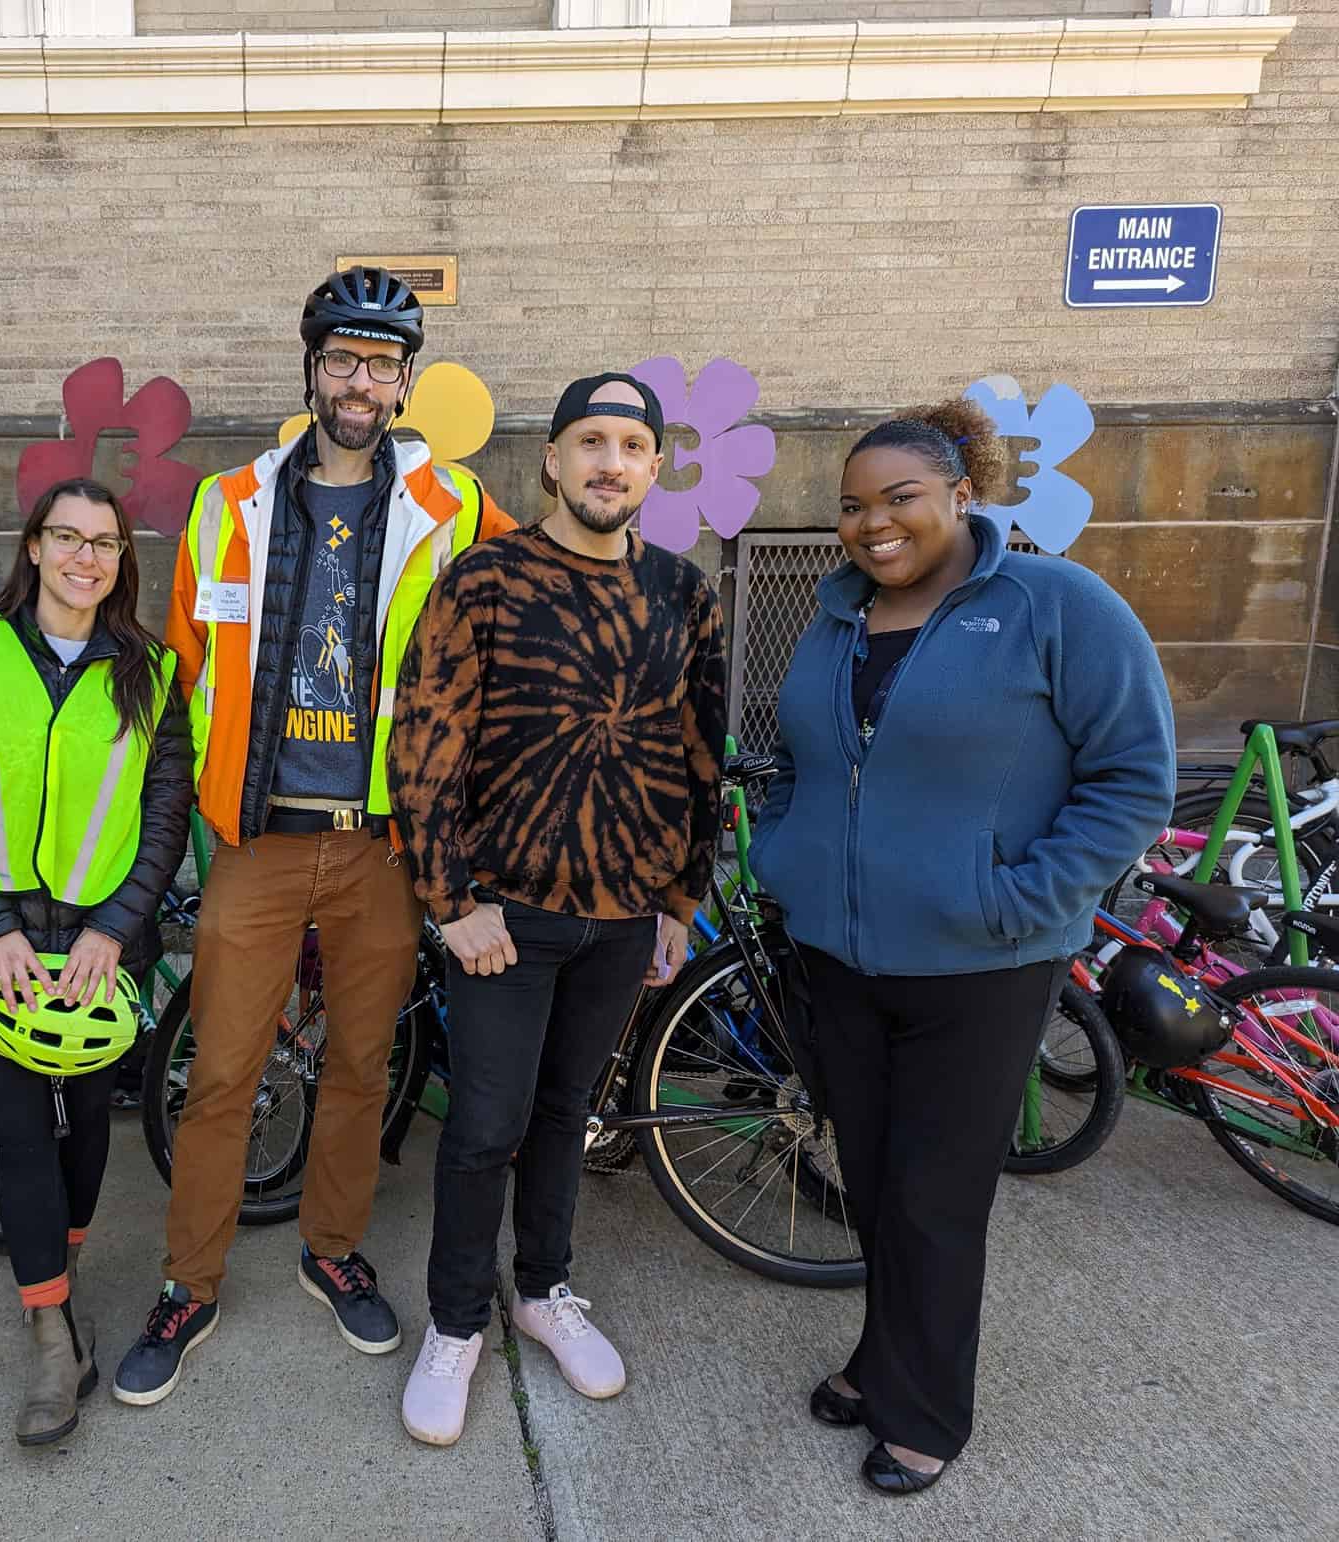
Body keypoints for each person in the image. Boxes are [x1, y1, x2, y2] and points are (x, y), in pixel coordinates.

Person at [747, 399, 1174, 1493]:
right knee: (879, 1182)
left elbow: (1129, 777)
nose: (872, 525)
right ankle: (878, 1359)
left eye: (899, 499)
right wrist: (784, 860)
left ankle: (923, 1415)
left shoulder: (1052, 604)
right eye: (850, 507)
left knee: (934, 1196)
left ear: (960, 496)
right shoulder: (837, 614)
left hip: (980, 965)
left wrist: (1023, 898)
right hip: (839, 958)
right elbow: (798, 755)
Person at [112, 265, 515, 1407]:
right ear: (311, 367)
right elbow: (184, 664)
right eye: (340, 359)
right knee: (221, 1071)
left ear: (402, 381)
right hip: (257, 839)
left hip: (384, 843)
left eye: (380, 364)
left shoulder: (456, 503)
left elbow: (527, 605)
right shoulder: (226, 503)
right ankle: (187, 1283)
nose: (358, 381)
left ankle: (331, 1249)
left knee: (357, 1064)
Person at [387, 373, 726, 1446]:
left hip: (623, 916)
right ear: (550, 458)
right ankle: (453, 1325)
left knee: (561, 1117)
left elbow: (699, 753)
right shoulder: (481, 582)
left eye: (631, 443)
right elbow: (423, 748)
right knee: (482, 1126)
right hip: (504, 918)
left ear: (654, 465)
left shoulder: (685, 593)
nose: (609, 462)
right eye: (590, 440)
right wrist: (451, 904)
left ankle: (541, 1291)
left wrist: (680, 897)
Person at [0, 477, 192, 1445]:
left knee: (83, 1129)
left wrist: (113, 929)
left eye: (103, 543)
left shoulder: (150, 673)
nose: (84, 557)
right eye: (65, 537)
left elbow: (164, 817)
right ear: (30, 548)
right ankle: (47, 1336)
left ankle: (55, 1285)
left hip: (99, 950)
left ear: (122, 560)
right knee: (23, 1132)